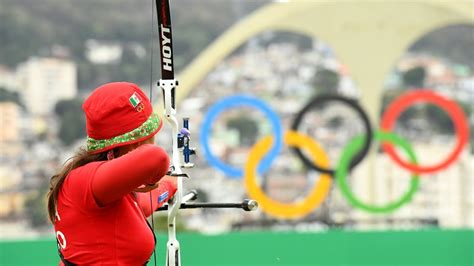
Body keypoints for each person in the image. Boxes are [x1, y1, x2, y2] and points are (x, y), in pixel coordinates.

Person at [47, 82, 177, 265]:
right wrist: (151, 177)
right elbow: (156, 158)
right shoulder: (86, 180)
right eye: (152, 136)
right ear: (135, 145)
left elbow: (144, 203)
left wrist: (171, 185)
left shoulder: (107, 187)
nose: (154, 141)